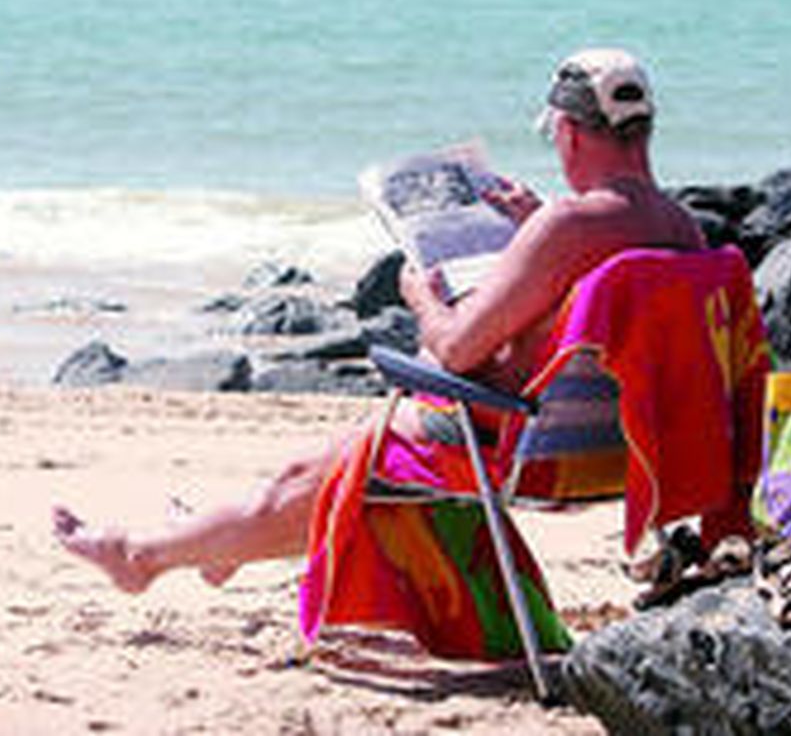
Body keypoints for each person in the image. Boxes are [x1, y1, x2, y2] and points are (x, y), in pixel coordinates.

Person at [53, 47, 709, 600]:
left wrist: (419, 294)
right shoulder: (682, 232)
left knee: (322, 469)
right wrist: (532, 230)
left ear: (567, 131)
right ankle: (214, 544)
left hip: (516, 446)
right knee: (340, 461)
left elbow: (456, 349)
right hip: (620, 454)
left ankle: (143, 554)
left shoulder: (568, 225)